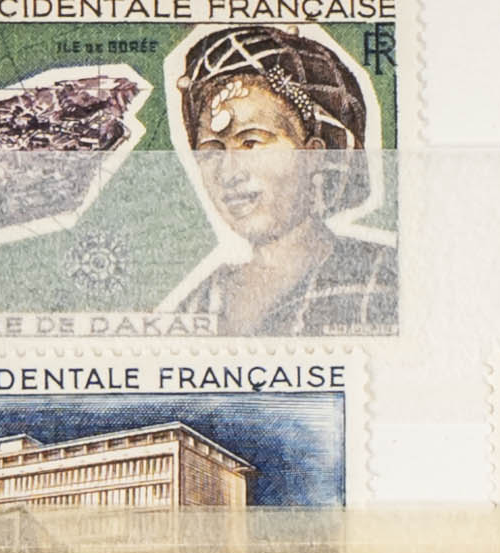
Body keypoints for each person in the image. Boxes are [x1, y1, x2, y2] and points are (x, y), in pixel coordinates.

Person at [157, 21, 399, 335]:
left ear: (313, 154)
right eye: (211, 151)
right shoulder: (199, 304)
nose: (229, 172)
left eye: (251, 143)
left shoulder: (385, 280)